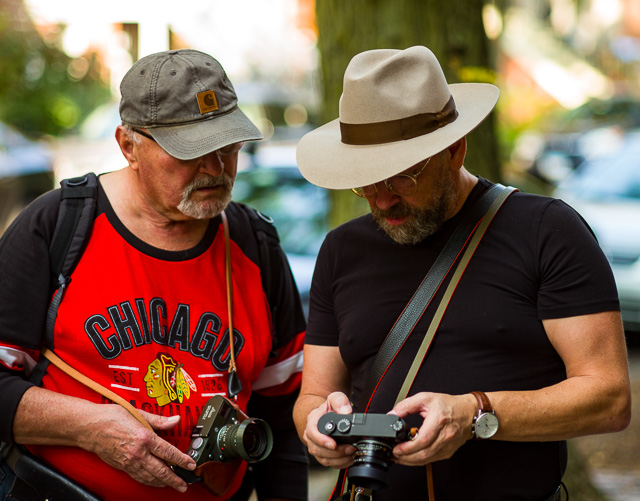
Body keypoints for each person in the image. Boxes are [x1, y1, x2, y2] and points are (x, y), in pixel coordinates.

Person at [292, 45, 631, 500]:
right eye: (365, 179)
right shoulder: (341, 248)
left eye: (401, 176)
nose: (382, 198)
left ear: (455, 149)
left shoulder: (547, 230)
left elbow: (609, 399)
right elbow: (313, 398)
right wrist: (315, 425)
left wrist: (474, 415)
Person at [0, 49, 308, 501]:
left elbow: (282, 417)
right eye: (192, 151)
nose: (215, 168)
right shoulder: (57, 227)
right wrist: (87, 427)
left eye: (228, 147)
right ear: (128, 146)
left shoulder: (254, 244)